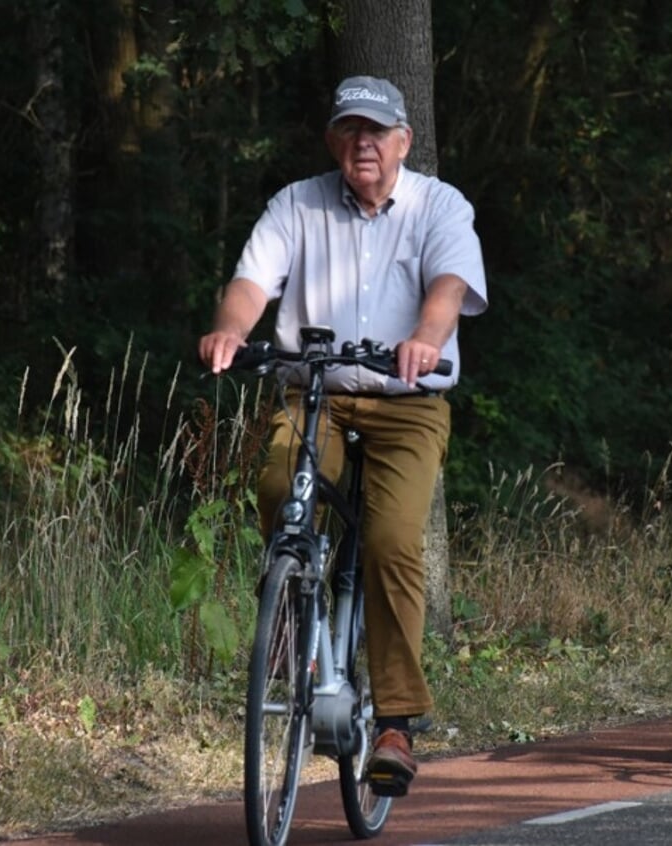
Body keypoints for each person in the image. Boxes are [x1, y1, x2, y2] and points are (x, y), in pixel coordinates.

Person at [198, 75, 488, 796]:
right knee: (278, 491)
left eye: (377, 132)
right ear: (333, 140)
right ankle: (294, 633)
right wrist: (231, 331)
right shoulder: (295, 202)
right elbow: (251, 281)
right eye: (350, 131)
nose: (364, 144)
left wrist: (424, 339)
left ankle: (396, 721)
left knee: (391, 540)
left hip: (406, 401)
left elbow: (449, 286)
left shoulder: (438, 204)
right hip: (316, 391)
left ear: (402, 142)